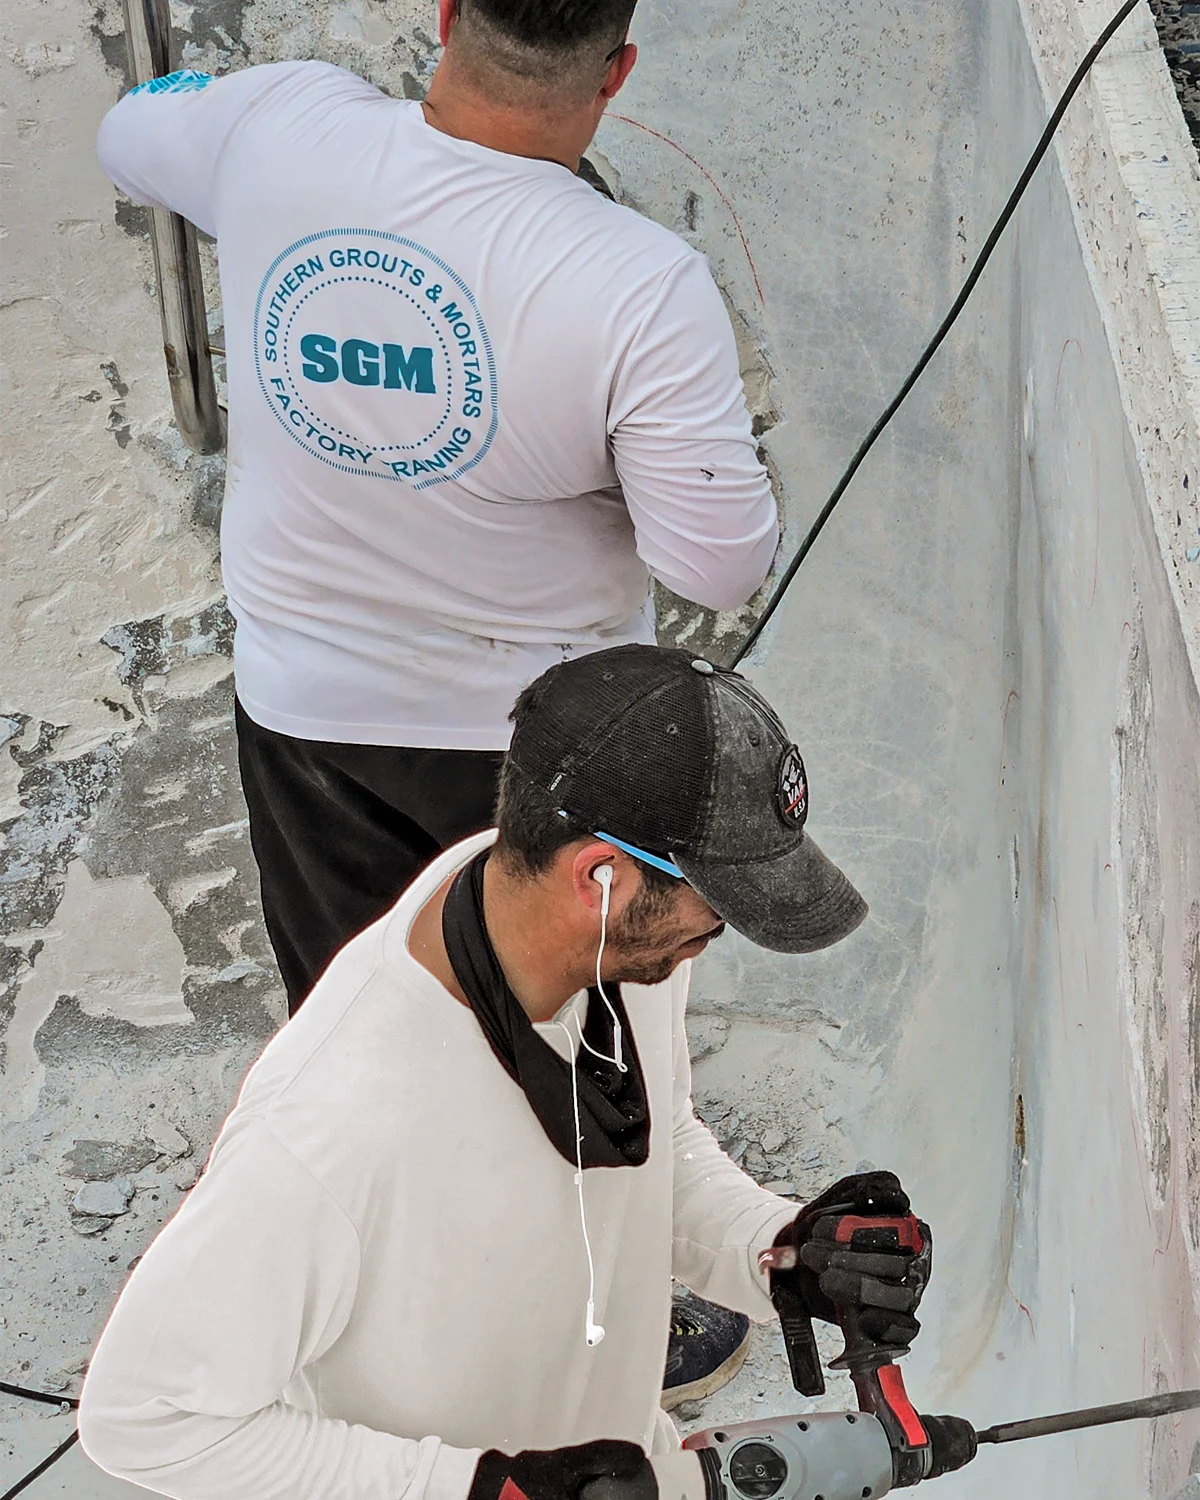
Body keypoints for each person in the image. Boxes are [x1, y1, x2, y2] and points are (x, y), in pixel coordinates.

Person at [95, 0, 781, 1403]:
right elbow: (717, 556)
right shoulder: (637, 281)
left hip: (312, 712)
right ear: (620, 71)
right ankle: (601, 1313)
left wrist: (216, 100)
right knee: (579, 1024)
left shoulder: (281, 129)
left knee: (365, 1013)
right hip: (546, 749)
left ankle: (385, 1312)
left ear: (450, 18)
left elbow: (129, 133)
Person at [78, 646, 932, 1500]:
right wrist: (481, 1490)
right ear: (598, 875)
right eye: (718, 896)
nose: (721, 929)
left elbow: (653, 1143)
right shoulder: (333, 1126)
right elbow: (146, 1417)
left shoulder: (611, 945)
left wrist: (780, 1252)